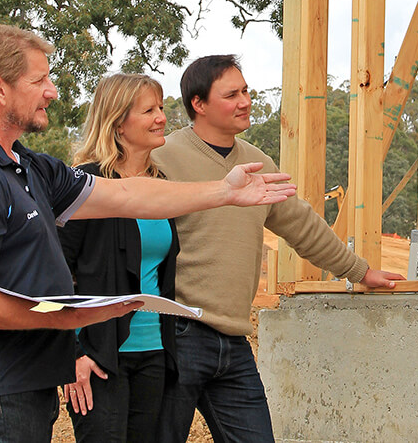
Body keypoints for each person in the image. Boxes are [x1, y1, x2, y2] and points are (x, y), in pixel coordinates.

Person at [0, 24, 295, 443]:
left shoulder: (28, 167)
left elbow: (124, 196)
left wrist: (223, 192)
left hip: (26, 386)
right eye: (39, 80)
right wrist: (72, 321)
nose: (52, 91)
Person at [152, 54, 405, 442]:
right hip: (177, 335)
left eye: (246, 91)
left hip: (234, 339)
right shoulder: (163, 158)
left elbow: (301, 224)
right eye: (232, 94)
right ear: (198, 105)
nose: (245, 101)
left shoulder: (257, 162)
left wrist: (359, 271)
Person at [57, 73, 179, 442]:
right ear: (118, 123)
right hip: (99, 358)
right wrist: (75, 352)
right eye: (149, 110)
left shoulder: (163, 185)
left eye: (160, 107)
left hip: (155, 353)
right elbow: (55, 273)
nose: (161, 117)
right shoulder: (85, 185)